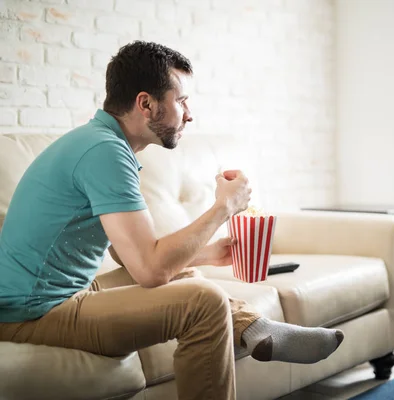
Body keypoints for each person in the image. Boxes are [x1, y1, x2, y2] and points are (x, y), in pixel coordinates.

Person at [0, 41, 343, 400]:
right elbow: (150, 270)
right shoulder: (105, 152)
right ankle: (254, 327)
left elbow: (128, 254)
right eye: (181, 100)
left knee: (181, 270)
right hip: (33, 313)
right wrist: (223, 208)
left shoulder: (99, 142)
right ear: (146, 104)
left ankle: (254, 326)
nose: (189, 113)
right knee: (202, 301)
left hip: (51, 298)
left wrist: (206, 255)